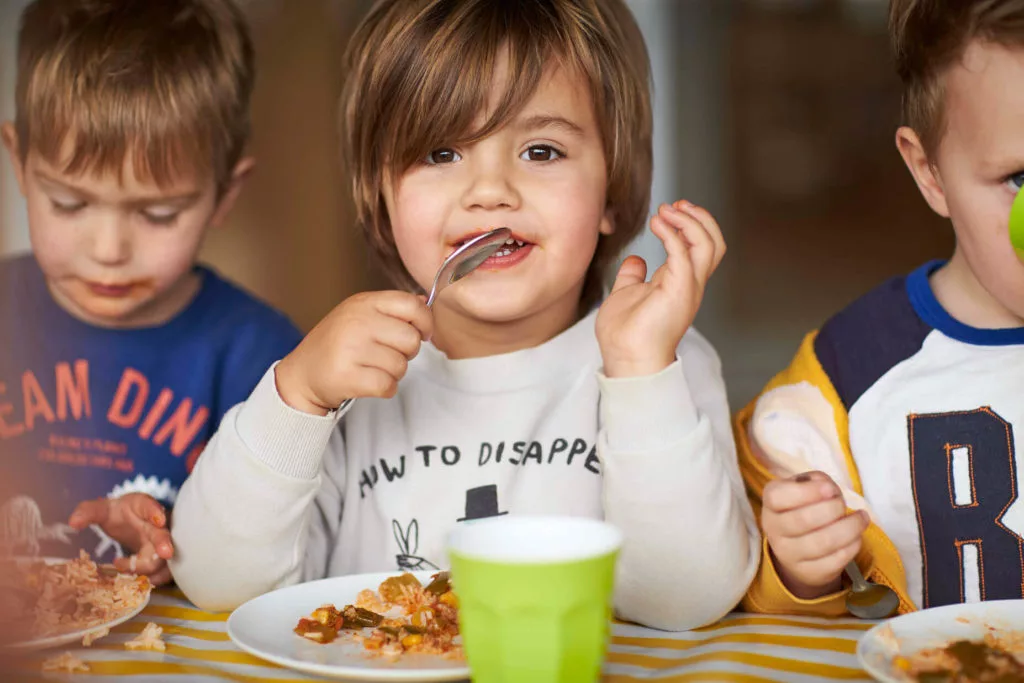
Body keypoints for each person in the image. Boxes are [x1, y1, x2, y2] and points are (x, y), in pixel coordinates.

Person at [169, 0, 759, 630]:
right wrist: (295, 398)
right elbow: (218, 585)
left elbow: (684, 602)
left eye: (541, 151)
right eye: (441, 154)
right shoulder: (341, 380)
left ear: (611, 192)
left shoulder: (661, 357)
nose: (489, 191)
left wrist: (642, 374)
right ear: (381, 197)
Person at [736, 0, 1024, 616]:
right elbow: (748, 581)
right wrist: (801, 569)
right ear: (931, 173)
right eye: (1020, 179)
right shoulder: (848, 373)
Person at [0, 0, 302, 586]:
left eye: (158, 214)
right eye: (70, 203)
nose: (110, 248)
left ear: (223, 194)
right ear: (19, 163)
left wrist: (178, 542)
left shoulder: (268, 361)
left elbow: (276, 550)